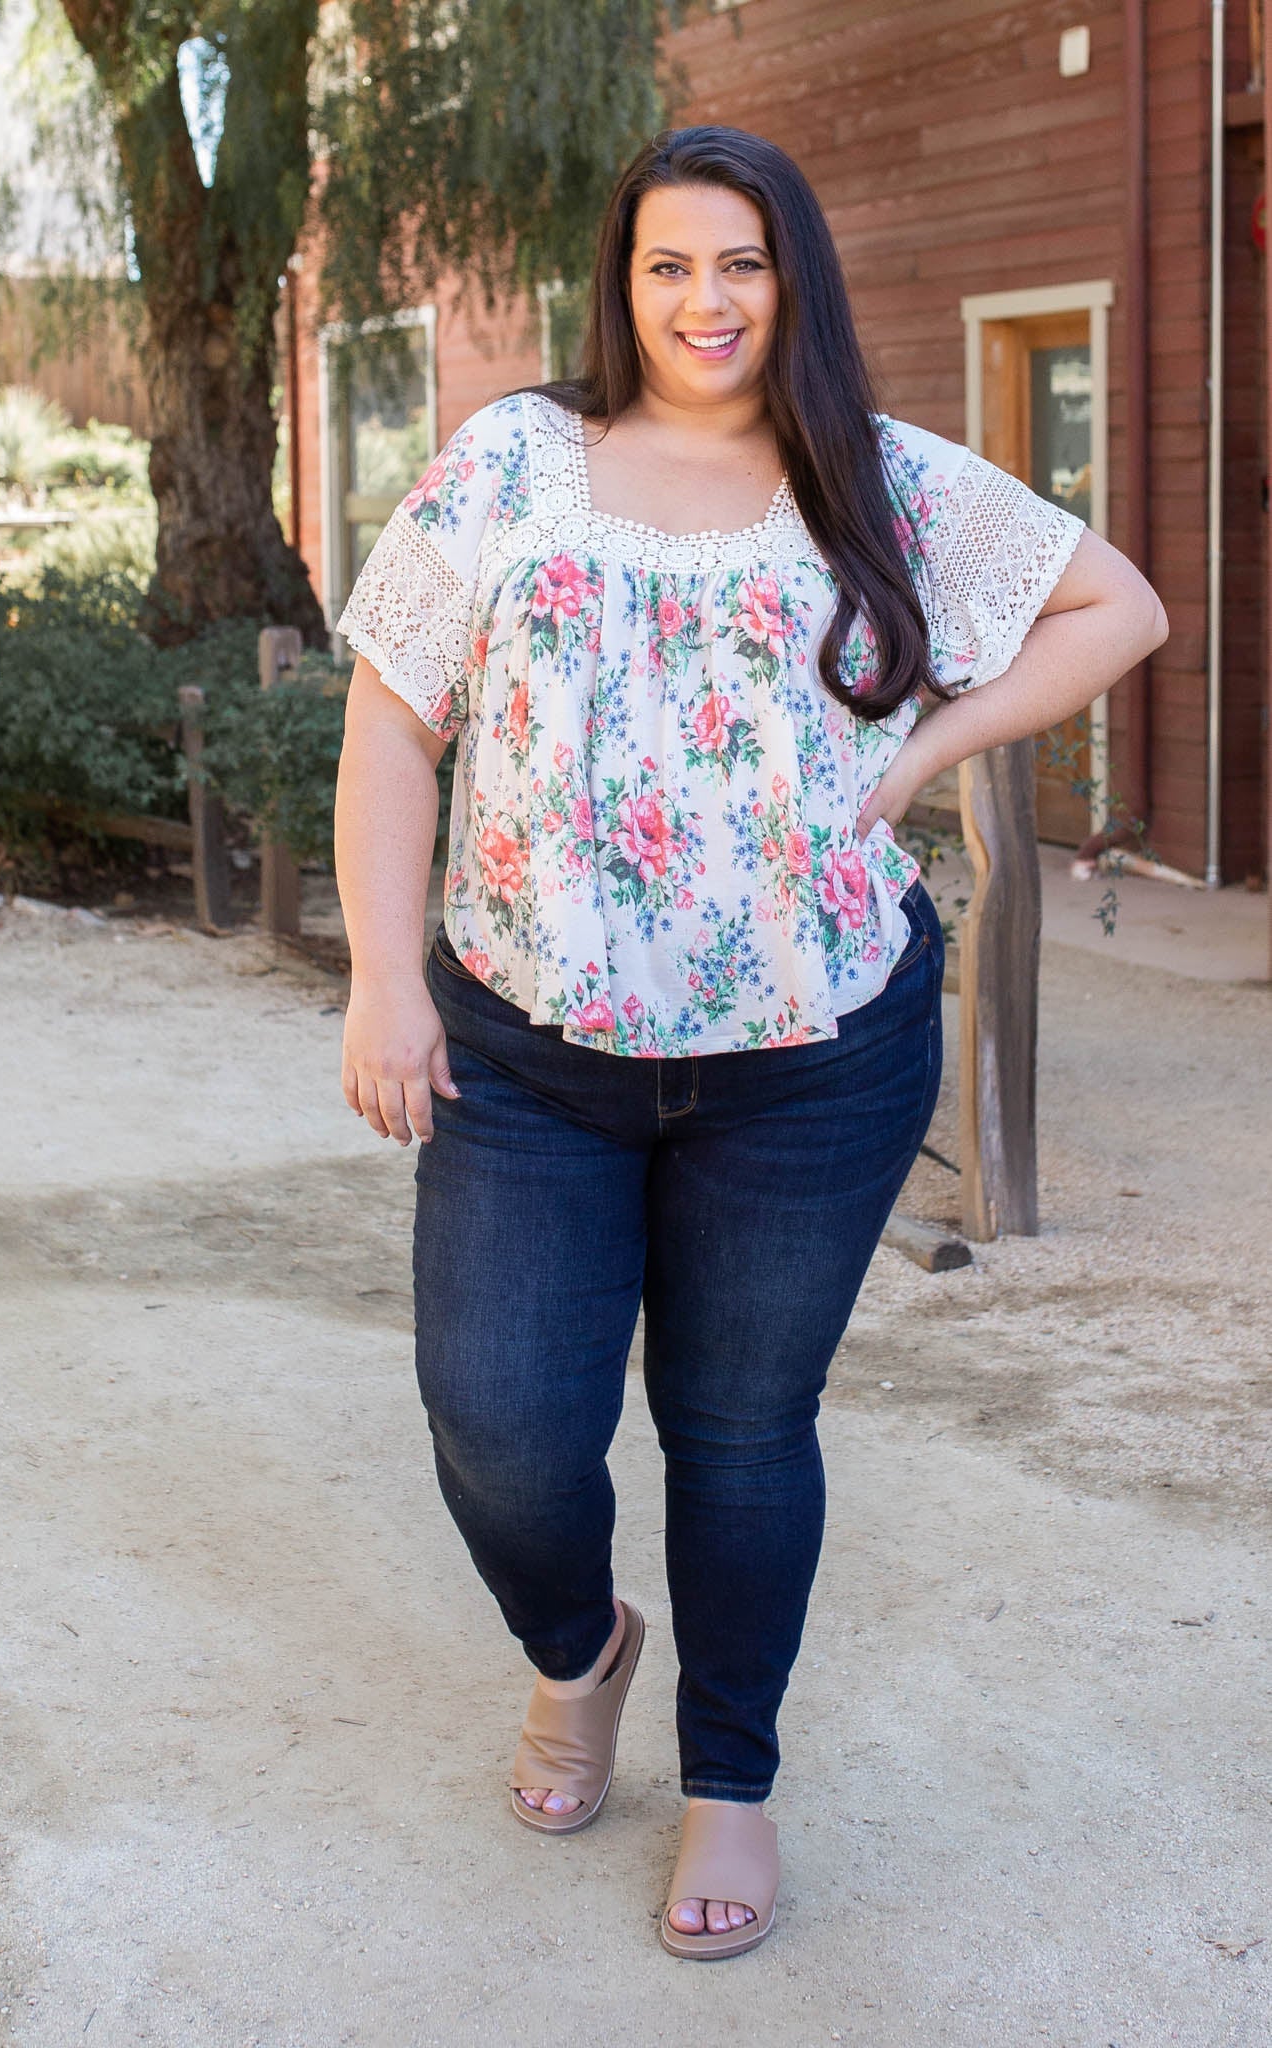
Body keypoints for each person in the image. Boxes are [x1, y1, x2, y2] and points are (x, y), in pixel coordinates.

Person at [332, 126, 1167, 1960]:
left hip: (812, 1052)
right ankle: (579, 1648)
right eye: (666, 266)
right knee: (499, 1426)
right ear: (619, 286)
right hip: (529, 1044)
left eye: (742, 264)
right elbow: (395, 719)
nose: (704, 301)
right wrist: (383, 976)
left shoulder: (875, 477)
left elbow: (1120, 607)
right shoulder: (516, 465)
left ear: (793, 281)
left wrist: (932, 751)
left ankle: (729, 1778)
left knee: (734, 1427)